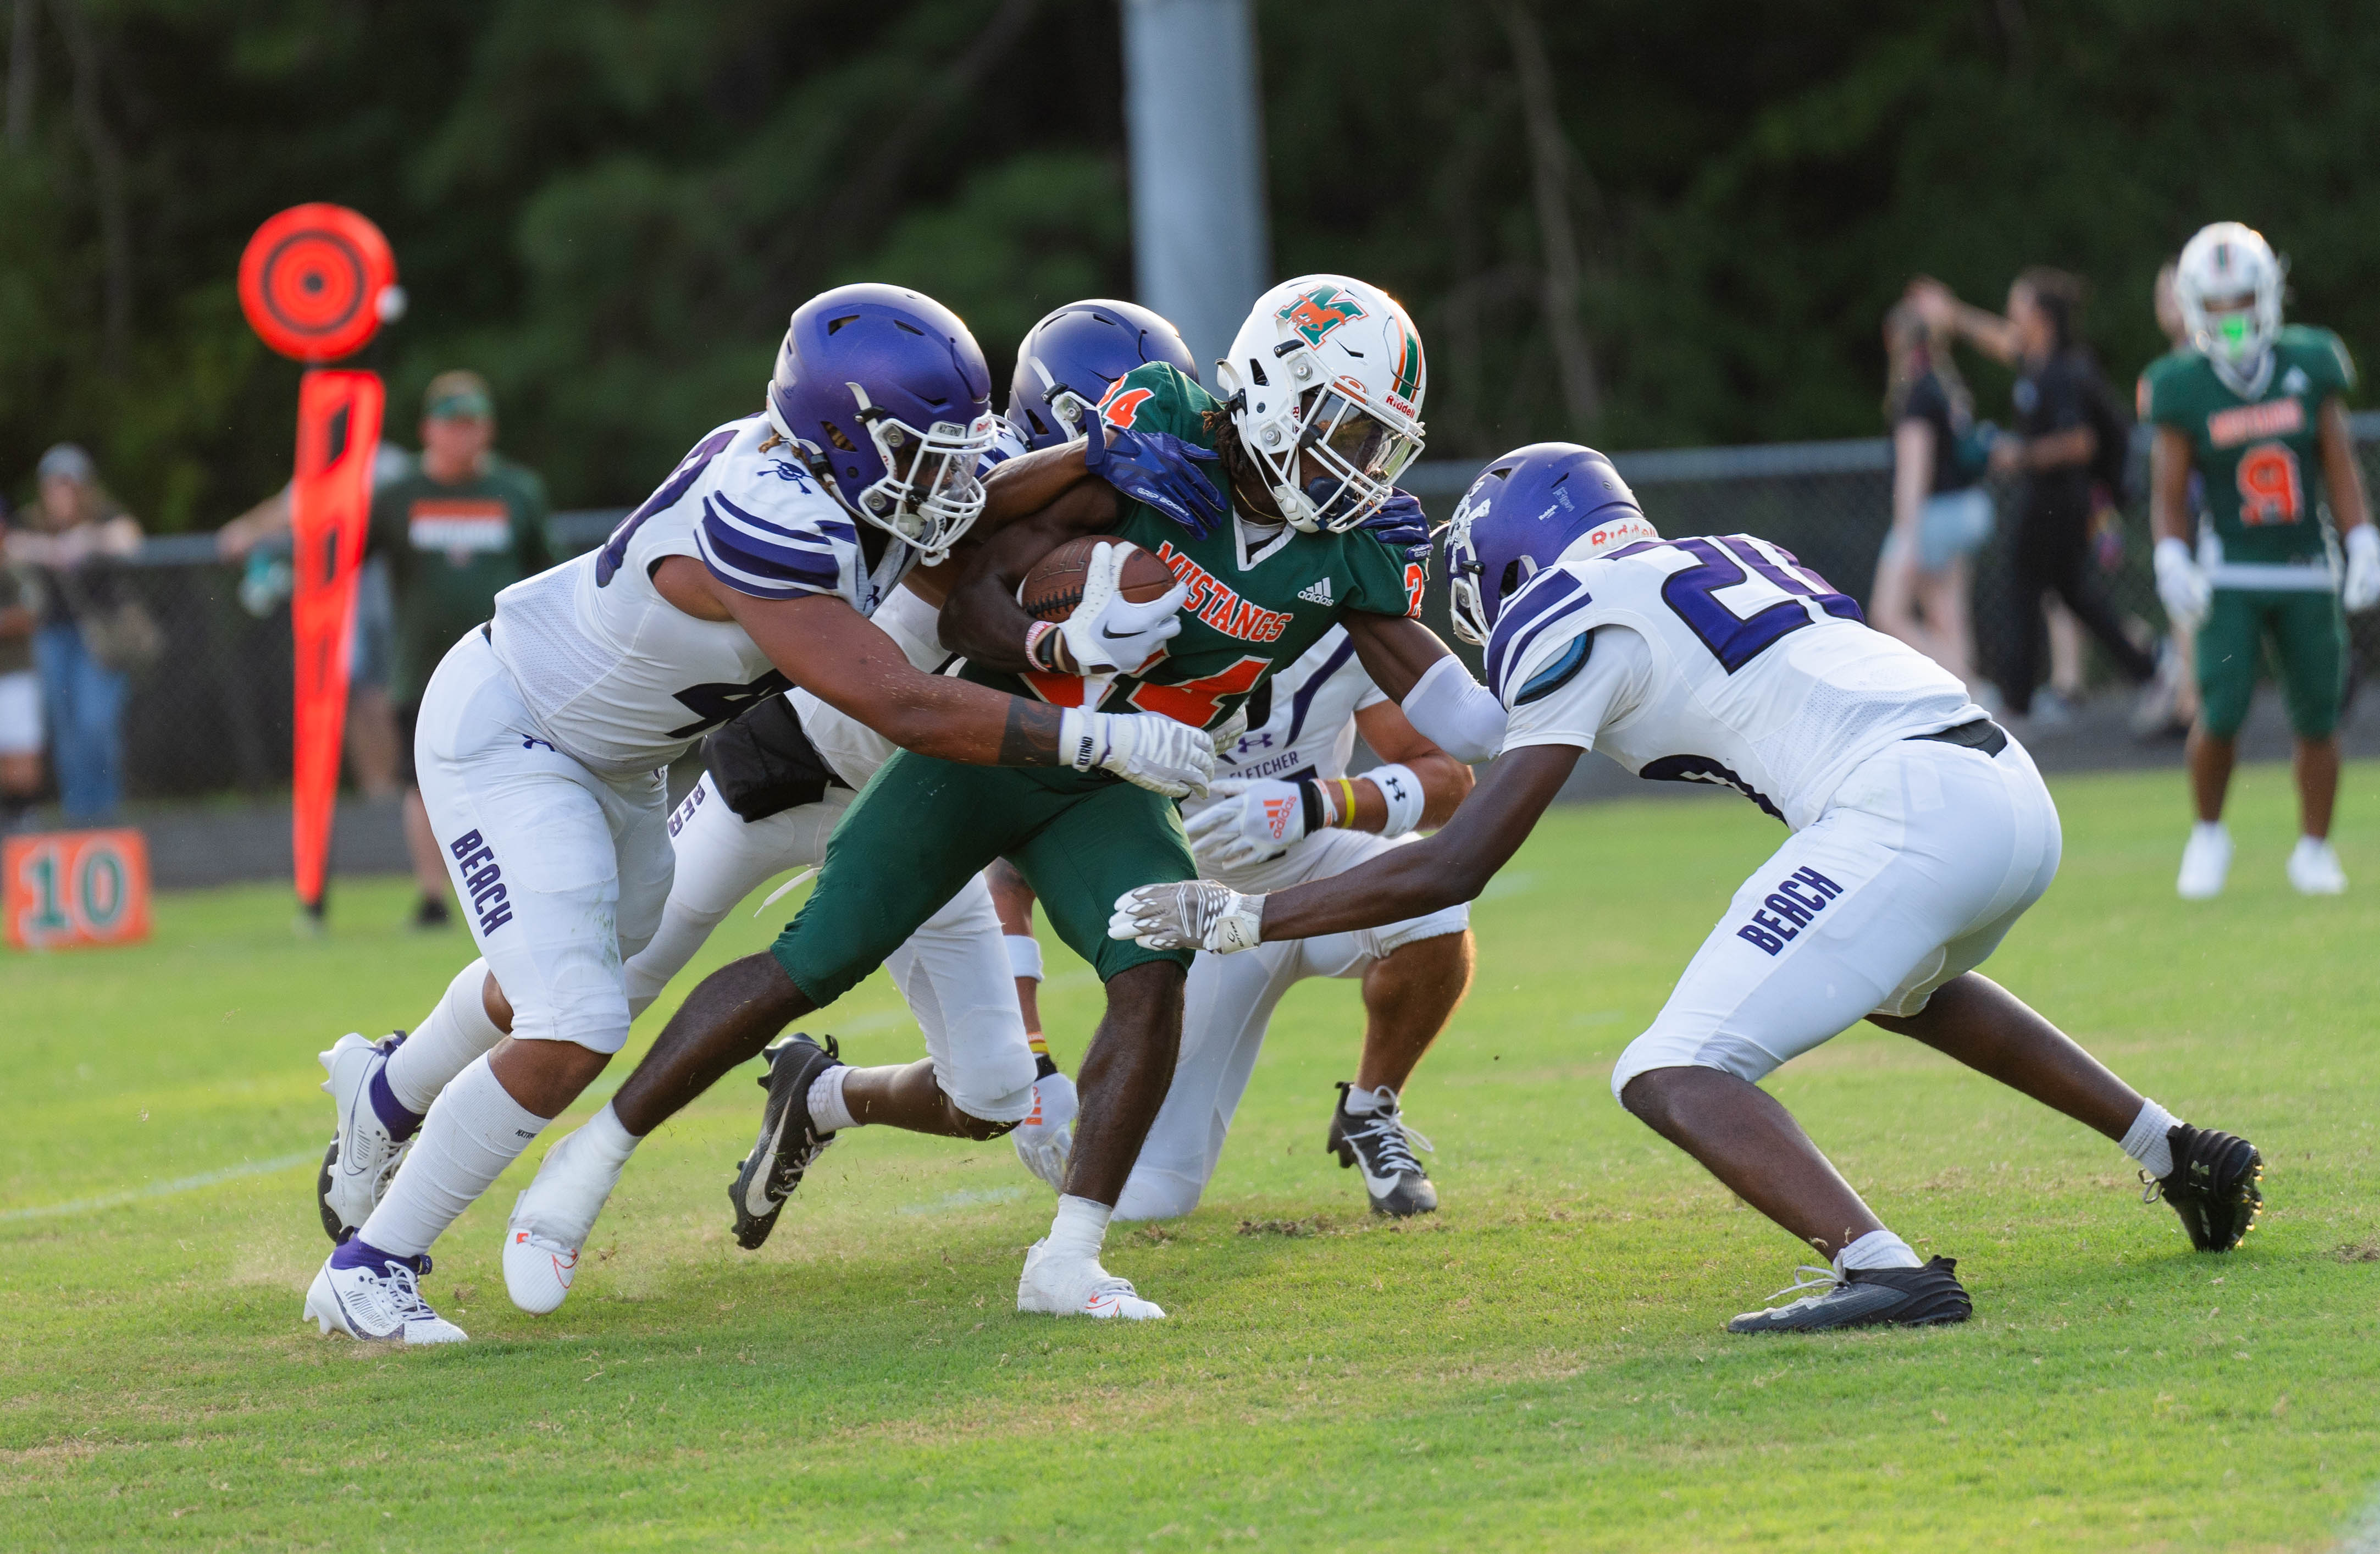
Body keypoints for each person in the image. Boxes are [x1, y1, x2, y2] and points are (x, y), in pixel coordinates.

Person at [519, 274, 1509, 1324]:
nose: (1359, 467)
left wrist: (1558, 669)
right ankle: (588, 1163)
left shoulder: (1345, 548)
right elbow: (970, 572)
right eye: (1345, 432)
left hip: (1110, 786)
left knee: (1151, 963)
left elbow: (1460, 713)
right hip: (989, 745)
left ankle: (1068, 1258)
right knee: (816, 956)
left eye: (1376, 443)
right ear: (1273, 389)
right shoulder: (1163, 431)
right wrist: (1060, 618)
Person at [1114, 443, 2267, 1334]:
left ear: (1519, 553)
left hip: (1903, 807)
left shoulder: (1574, 613)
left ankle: (1883, 1272)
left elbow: (1462, 856)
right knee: (1901, 985)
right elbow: (1487, 727)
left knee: (1668, 1069)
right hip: (2005, 788)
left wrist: (1245, 911)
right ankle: (2177, 1151)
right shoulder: (1720, 556)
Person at [302, 283, 1218, 1345]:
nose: (954, 475)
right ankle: (371, 1268)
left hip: (622, 761)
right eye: (930, 451)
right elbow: (897, 698)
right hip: (518, 734)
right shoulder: (770, 513)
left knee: (561, 978)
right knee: (582, 1015)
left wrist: (1103, 453)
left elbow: (977, 518)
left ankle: (387, 1090)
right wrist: (1095, 735)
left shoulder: (848, 476)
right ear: (848, 436)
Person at [2144, 222, 2377, 899]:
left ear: (2267, 295)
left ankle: (2313, 848)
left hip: (2306, 564)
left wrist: (2362, 538)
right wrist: (2169, 556)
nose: (2230, 317)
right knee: (2219, 711)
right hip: (2231, 571)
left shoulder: (2308, 360)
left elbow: (2338, 463)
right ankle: (2209, 833)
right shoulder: (2181, 383)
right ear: (2192, 305)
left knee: (2319, 715)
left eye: (2240, 298)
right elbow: (2168, 487)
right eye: (2215, 303)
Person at [1916, 271, 2161, 719]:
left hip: (2059, 499)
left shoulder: (2062, 371)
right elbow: (2000, 340)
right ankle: (2149, 667)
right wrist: (1954, 314)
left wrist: (2021, 454)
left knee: (2021, 588)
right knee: (2074, 594)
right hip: (2055, 498)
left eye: (2019, 306)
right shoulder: (2039, 362)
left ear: (2042, 318)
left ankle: (2017, 702)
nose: (2012, 316)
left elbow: (2081, 441)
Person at [4, 445, 143, 824]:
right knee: (65, 728)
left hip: (100, 639)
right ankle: (79, 815)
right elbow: (11, 544)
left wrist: (87, 540)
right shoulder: (34, 523)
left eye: (68, 485)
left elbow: (130, 538)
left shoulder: (103, 516)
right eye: (53, 486)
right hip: (54, 638)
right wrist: (49, 549)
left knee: (95, 723)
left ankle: (105, 810)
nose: (60, 494)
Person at [1869, 297, 1991, 688]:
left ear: (1894, 340)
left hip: (1936, 515)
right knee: (1947, 615)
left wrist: (1907, 539)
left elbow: (1914, 473)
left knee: (1886, 613)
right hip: (1966, 509)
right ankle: (1971, 689)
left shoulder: (1917, 393)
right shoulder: (1942, 383)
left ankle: (1968, 688)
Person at [0, 494, 40, 829]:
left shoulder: (15, 568)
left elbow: (29, 614)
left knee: (21, 757)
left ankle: (22, 826)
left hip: (13, 674)